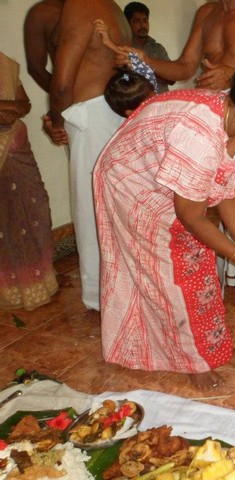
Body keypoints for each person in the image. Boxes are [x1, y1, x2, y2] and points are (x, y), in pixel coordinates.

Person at [94, 67, 235, 390]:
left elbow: (231, 195)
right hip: (132, 181)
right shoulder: (199, 136)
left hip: (167, 180)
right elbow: (192, 217)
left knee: (198, 267)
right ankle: (192, 358)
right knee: (168, 274)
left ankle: (214, 348)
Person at [117, 0, 235, 299]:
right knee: (199, 206)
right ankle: (231, 272)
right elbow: (185, 67)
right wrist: (145, 59)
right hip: (210, 118)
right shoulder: (207, 13)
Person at [44, 0, 131, 311]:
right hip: (116, 111)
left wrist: (56, 120)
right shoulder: (113, 8)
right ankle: (124, 288)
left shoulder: (80, 6)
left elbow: (61, 84)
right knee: (116, 206)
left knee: (90, 207)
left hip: (92, 117)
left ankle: (101, 295)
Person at [0, 52, 58, 311]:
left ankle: (41, 278)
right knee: (6, 219)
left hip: (18, 148)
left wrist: (13, 110)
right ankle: (13, 289)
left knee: (36, 210)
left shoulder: (5, 65)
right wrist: (5, 107)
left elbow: (24, 103)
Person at [123, 2, 174, 93]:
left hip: (161, 99)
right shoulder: (124, 49)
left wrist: (144, 68)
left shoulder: (158, 48)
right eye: (137, 21)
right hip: (138, 100)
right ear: (127, 23)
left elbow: (172, 79)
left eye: (145, 20)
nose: (143, 25)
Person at [23, 0, 64, 93]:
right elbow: (36, 70)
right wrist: (61, 94)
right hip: (75, 97)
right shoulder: (42, 13)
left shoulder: (96, 8)